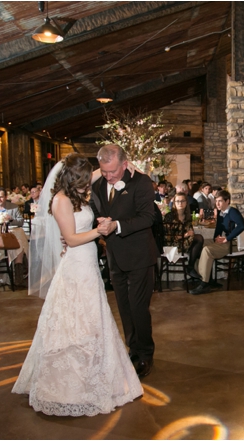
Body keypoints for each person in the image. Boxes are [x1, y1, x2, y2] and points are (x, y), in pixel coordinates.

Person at [12, 153, 143, 416]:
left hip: (89, 265)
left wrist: (130, 166)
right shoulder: (60, 200)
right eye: (84, 180)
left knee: (93, 321)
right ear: (73, 179)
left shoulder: (75, 191)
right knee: (75, 323)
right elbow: (71, 239)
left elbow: (103, 172)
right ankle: (69, 386)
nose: (88, 184)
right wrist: (100, 230)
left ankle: (95, 375)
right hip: (75, 266)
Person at [90, 144, 158, 379]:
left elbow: (147, 217)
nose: (108, 177)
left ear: (125, 164)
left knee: (139, 307)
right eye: (104, 172)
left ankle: (146, 355)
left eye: (113, 172)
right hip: (114, 256)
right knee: (124, 307)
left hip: (139, 255)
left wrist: (116, 226)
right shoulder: (98, 185)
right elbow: (93, 211)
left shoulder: (141, 182)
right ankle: (133, 349)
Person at [190, 190, 244, 295]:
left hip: (230, 244)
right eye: (216, 201)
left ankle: (204, 283)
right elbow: (219, 228)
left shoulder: (232, 212)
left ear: (227, 201)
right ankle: (205, 277)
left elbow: (242, 226)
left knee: (207, 250)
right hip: (222, 241)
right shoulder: (221, 213)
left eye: (220, 201)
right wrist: (216, 238)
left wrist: (227, 238)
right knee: (199, 242)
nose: (217, 204)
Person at [164, 192, 205, 281]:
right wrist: (185, 235)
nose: (180, 203)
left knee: (200, 246)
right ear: (174, 203)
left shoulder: (187, 217)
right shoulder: (169, 216)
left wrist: (188, 235)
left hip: (185, 243)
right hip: (172, 245)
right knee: (199, 240)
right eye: (177, 201)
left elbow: (191, 233)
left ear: (186, 202)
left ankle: (200, 274)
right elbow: (168, 237)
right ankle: (192, 269)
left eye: (182, 201)